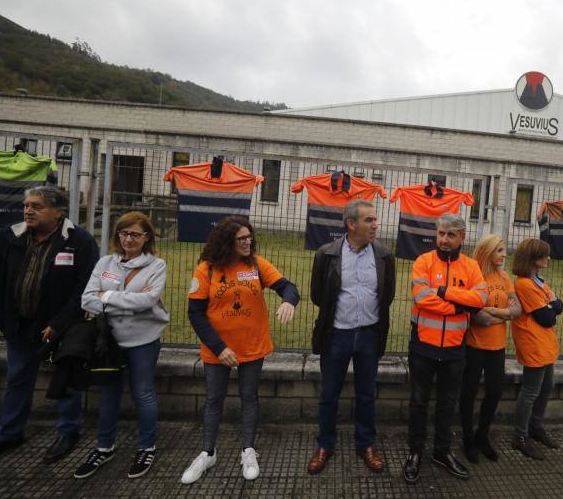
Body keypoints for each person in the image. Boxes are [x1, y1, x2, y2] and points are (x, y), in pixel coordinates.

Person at [180, 216, 299, 484]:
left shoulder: (256, 265)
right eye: (241, 239)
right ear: (226, 242)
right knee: (214, 400)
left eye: (249, 237)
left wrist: (289, 302)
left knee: (249, 397)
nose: (248, 242)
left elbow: (288, 287)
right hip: (218, 351)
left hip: (253, 347)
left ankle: (248, 450)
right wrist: (220, 348)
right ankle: (208, 452)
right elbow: (196, 314)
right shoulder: (206, 270)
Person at [0, 186, 98, 463]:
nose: (28, 210)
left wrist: (60, 322)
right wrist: (1, 312)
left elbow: (84, 286)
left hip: (61, 327)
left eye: (37, 206)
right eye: (27, 205)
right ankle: (9, 433)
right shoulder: (9, 237)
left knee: (66, 380)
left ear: (58, 211)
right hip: (18, 326)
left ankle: (68, 432)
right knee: (17, 379)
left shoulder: (79, 241)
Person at [73, 212, 169, 479]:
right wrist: (125, 298)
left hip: (143, 339)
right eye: (124, 233)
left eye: (136, 234)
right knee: (109, 396)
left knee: (143, 393)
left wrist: (108, 296)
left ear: (146, 237)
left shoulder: (156, 265)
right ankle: (104, 447)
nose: (129, 239)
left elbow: (148, 301)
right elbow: (86, 300)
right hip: (110, 341)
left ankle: (146, 447)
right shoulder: (106, 262)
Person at [306, 200, 396, 475]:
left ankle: (366, 444)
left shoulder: (384, 255)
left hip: (369, 335)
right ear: (351, 224)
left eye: (375, 219)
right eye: (369, 220)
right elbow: (318, 295)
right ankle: (325, 444)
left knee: (367, 394)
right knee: (329, 395)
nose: (375, 225)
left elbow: (387, 295)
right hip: (336, 335)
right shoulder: (327, 254)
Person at [403, 214, 487, 483]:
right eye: (440, 233)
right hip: (422, 347)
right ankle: (415, 451)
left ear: (462, 236)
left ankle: (442, 452)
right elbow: (421, 298)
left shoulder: (472, 267)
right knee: (418, 403)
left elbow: (481, 298)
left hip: (454, 350)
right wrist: (459, 305)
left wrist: (443, 291)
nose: (444, 239)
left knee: (447, 405)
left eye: (450, 235)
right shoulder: (423, 261)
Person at [459, 234, 520, 463]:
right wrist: (502, 315)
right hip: (474, 346)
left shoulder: (505, 277)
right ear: (487, 252)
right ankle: (467, 437)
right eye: (500, 250)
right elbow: (478, 319)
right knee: (468, 392)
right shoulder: (474, 277)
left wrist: (493, 312)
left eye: (504, 250)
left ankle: (482, 436)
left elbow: (517, 311)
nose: (504, 255)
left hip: (497, 347)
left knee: (495, 391)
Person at [510, 238, 563, 460]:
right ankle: (520, 436)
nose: (549, 258)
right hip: (534, 344)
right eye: (545, 255)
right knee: (531, 392)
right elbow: (547, 317)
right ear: (533, 258)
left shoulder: (538, 281)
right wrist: (553, 305)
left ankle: (536, 427)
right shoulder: (524, 284)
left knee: (546, 387)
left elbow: (556, 307)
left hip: (546, 345)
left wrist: (553, 305)